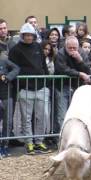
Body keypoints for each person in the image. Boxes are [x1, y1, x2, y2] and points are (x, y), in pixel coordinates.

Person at [9, 23, 51, 154]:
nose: (28, 37)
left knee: (42, 116)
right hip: (25, 88)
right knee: (26, 118)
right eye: (26, 35)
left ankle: (39, 141)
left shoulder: (38, 46)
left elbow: (43, 64)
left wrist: (46, 79)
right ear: (22, 35)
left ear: (34, 35)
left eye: (30, 35)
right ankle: (29, 143)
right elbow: (13, 68)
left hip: (40, 87)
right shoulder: (15, 50)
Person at [0, 48, 20, 157]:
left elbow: (16, 68)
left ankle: (5, 145)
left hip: (6, 94)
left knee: (8, 121)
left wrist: (8, 77)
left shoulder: (4, 59)